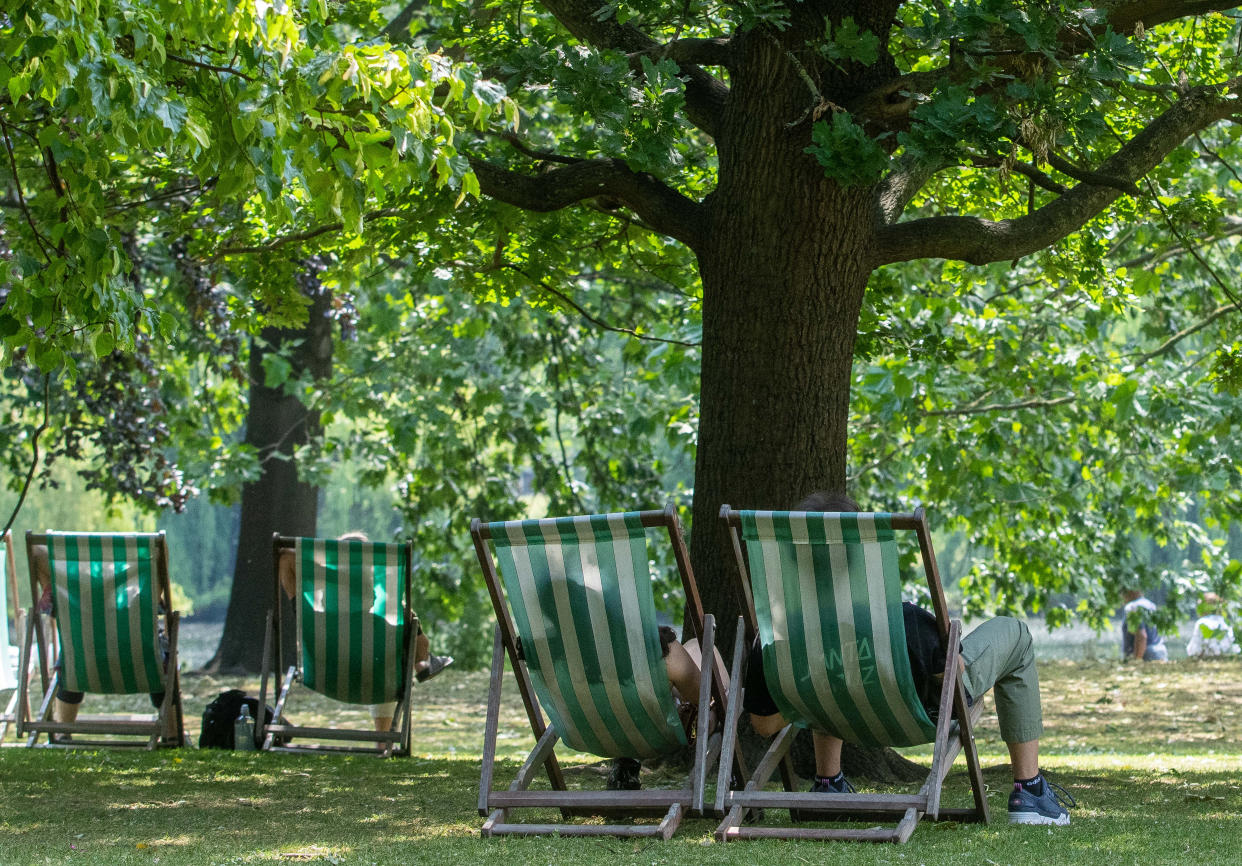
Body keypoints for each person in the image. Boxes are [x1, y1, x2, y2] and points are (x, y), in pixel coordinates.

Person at [742, 492, 1074, 827]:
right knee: (1014, 633)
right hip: (917, 717)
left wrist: (820, 687)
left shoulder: (778, 639)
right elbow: (952, 676)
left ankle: (828, 785)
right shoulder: (899, 622)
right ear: (859, 555)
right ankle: (1029, 792)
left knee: (831, 671)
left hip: (840, 715)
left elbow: (764, 724)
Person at [277, 532, 453, 736]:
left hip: (324, 668)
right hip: (374, 671)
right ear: (369, 590)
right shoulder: (383, 633)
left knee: (394, 647)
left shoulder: (312, 620)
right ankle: (421, 667)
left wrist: (331, 574)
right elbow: (421, 643)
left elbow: (285, 557)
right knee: (397, 653)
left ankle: (422, 662)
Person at [31, 542, 180, 743]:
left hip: (82, 663)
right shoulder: (140, 597)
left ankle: (62, 732)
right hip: (141, 661)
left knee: (73, 651)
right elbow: (161, 550)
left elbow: (36, 551)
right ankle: (171, 734)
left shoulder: (75, 603)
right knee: (162, 656)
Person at [606, 626, 720, 790]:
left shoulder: (573, 654)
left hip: (590, 731)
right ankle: (730, 772)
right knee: (698, 649)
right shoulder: (657, 648)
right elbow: (702, 697)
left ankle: (626, 765)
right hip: (659, 733)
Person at [1121, 588, 1168, 661]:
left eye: (1123, 591)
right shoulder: (1151, 605)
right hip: (1160, 653)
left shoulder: (1132, 607)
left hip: (1146, 656)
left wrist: (1137, 661)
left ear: (1132, 590)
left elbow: (1141, 636)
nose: (1122, 595)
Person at [1186, 592, 1239, 657]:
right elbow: (1233, 647)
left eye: (1199, 606)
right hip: (1226, 656)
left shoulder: (1201, 622)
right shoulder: (1225, 622)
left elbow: (1194, 650)